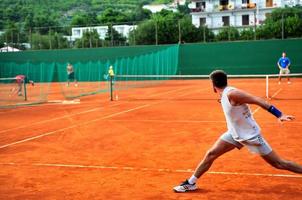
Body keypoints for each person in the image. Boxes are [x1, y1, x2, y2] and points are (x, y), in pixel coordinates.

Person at [173, 70, 302, 193]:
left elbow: (258, 100)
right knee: (211, 154)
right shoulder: (223, 95)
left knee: (279, 163)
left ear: (213, 84)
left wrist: (279, 114)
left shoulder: (233, 94)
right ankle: (191, 183)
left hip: (251, 136)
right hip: (234, 134)